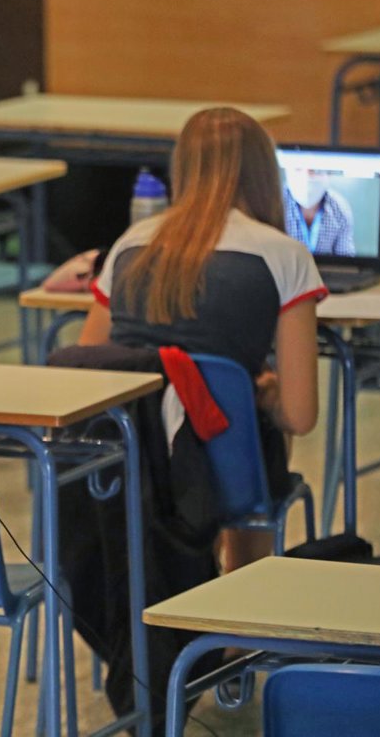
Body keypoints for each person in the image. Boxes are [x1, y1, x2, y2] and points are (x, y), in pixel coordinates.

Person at [79, 106, 325, 570]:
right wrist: (266, 393)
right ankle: (243, 581)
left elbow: (87, 369)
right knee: (261, 413)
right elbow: (300, 414)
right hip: (228, 478)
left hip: (131, 472)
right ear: (264, 173)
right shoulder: (286, 256)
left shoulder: (131, 243)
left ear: (183, 169)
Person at [283, 166, 356, 256]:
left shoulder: (340, 209)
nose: (307, 175)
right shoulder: (275, 204)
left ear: (329, 173)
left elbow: (346, 259)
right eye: (298, 167)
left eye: (314, 169)